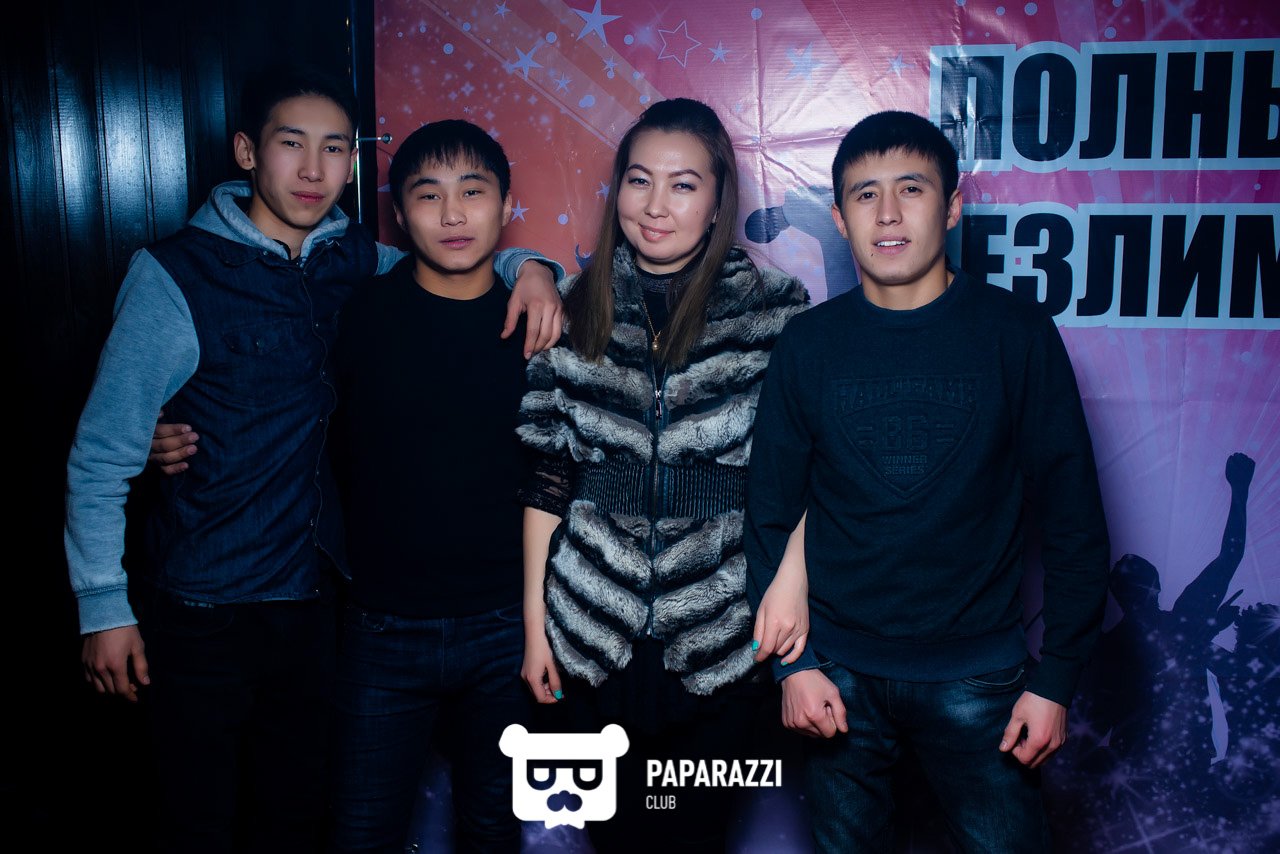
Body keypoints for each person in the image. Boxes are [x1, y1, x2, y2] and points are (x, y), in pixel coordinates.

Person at [65, 66, 560, 853]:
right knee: (195, 825)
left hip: (317, 603)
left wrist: (533, 269)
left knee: (297, 824)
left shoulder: (351, 261)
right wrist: (103, 607)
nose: (311, 169)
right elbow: (100, 455)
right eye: (290, 144)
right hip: (204, 604)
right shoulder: (175, 274)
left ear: (353, 164)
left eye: (333, 148)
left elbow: (455, 255)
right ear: (247, 152)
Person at [744, 110, 1111, 853]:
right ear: (839, 219)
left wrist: (1057, 679)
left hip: (980, 678)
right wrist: (794, 666)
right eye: (865, 194)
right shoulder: (808, 344)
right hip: (837, 675)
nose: (887, 213)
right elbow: (769, 510)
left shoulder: (1016, 334)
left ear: (951, 208)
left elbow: (1074, 518)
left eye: (911, 189)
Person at [517, 97, 811, 852]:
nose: (655, 206)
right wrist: (535, 631)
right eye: (639, 180)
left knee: (695, 840)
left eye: (683, 185)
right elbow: (547, 480)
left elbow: (810, 470)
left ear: (717, 201)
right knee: (612, 841)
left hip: (721, 637)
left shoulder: (777, 314)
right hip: (589, 633)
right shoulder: (571, 307)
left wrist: (790, 586)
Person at [327, 119, 561, 853]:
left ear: (507, 204)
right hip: (381, 627)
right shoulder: (359, 313)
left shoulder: (538, 322)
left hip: (505, 625)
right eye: (429, 195)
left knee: (493, 829)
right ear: (399, 212)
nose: (453, 214)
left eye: (473, 192)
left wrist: (538, 270)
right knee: (361, 833)